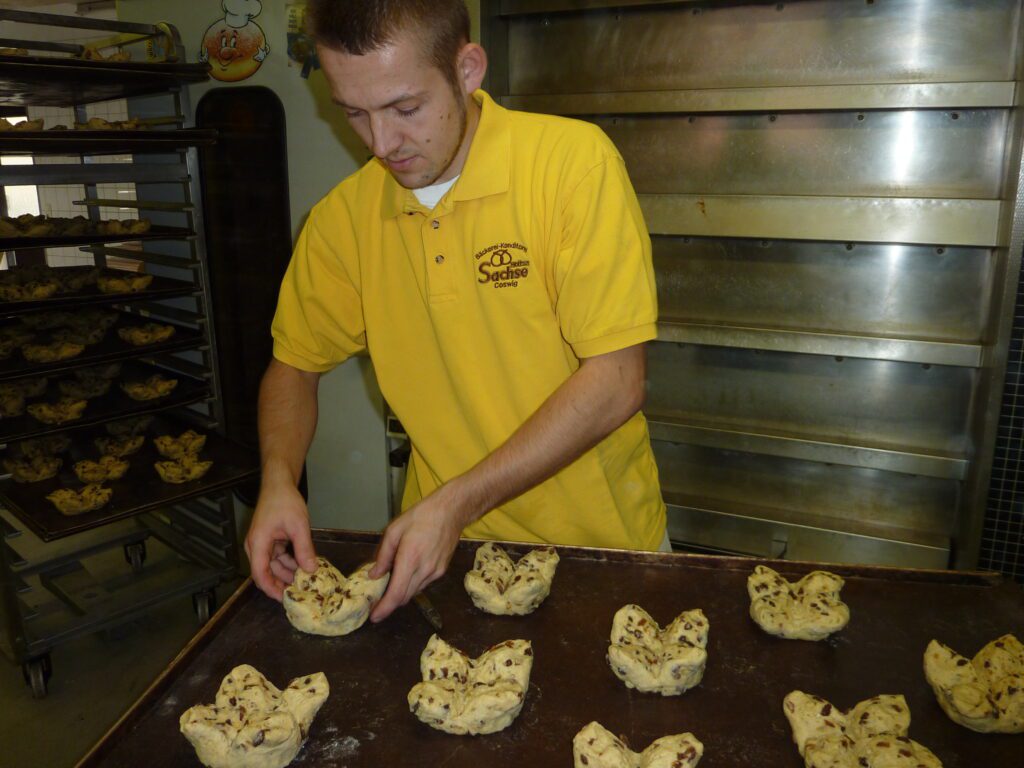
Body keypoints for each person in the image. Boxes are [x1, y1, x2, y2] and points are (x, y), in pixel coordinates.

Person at [245, 0, 667, 622]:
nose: (382, 143)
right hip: (446, 557)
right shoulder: (343, 220)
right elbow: (293, 367)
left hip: (601, 548)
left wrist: (456, 503)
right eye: (355, 114)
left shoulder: (570, 166)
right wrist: (279, 478)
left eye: (405, 109)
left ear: (468, 69)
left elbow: (617, 380)